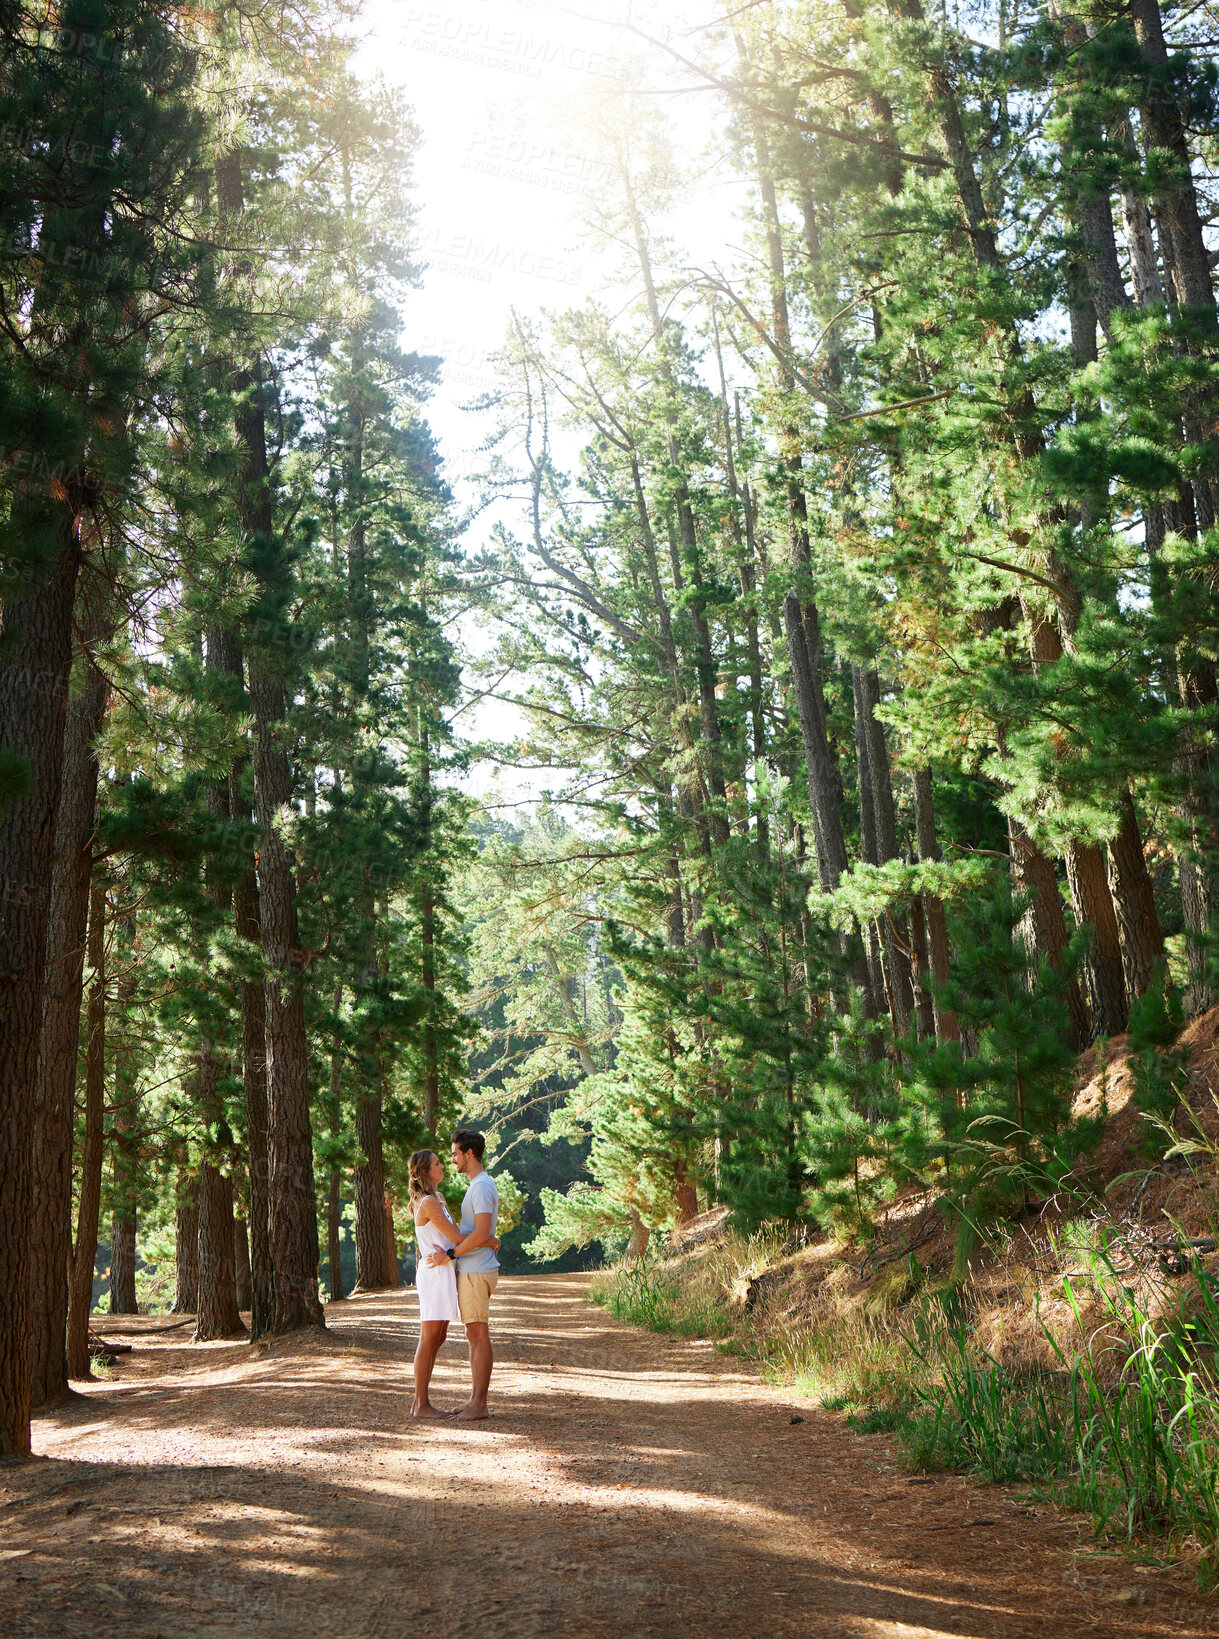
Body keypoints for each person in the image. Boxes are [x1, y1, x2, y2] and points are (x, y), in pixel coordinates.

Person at [426, 1129, 498, 1421]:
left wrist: (451, 1254)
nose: (452, 1158)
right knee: (474, 1335)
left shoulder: (481, 1186)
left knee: (478, 1336)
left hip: (475, 1270)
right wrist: (489, 1240)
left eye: (455, 1153)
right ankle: (474, 1401)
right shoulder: (477, 1185)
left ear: (470, 1153)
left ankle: (480, 1405)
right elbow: (481, 1233)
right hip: (475, 1268)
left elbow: (480, 1232)